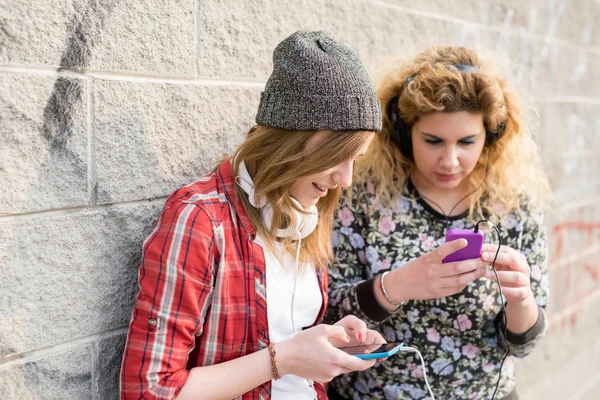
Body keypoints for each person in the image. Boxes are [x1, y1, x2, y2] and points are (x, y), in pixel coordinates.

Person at [120, 30, 386, 400]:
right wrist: (285, 359)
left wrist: (329, 344)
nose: (345, 179)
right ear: (291, 139)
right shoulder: (200, 221)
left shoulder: (305, 212)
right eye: (335, 157)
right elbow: (149, 390)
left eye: (354, 160)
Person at [324, 46, 550, 400]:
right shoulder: (360, 198)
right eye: (433, 141)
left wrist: (521, 300)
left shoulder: (514, 206)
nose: (450, 160)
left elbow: (524, 346)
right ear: (402, 132)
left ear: (490, 136)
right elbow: (325, 316)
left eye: (466, 142)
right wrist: (397, 286)